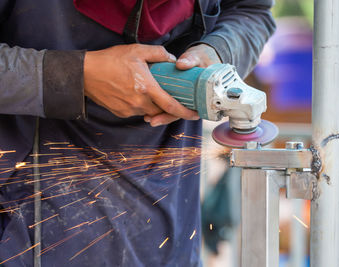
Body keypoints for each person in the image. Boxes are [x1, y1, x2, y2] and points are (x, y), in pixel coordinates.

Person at [0, 0, 275, 266]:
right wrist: (76, 76)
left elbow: (250, 11)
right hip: (26, 226)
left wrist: (217, 52)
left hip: (170, 229)